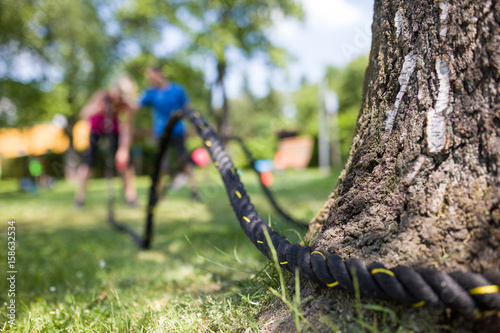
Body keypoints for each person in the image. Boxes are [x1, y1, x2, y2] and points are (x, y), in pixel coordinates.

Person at [74, 75, 138, 207]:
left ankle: (130, 197)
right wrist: (96, 109)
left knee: (126, 162)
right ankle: (79, 198)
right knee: (88, 162)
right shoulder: (102, 96)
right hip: (96, 130)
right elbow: (83, 113)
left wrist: (123, 149)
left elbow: (128, 128)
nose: (118, 98)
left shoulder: (126, 105)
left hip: (114, 130)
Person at [139, 66, 199, 200]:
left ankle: (194, 190)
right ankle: (159, 194)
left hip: (178, 131)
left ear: (160, 74)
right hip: (161, 133)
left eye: (151, 76)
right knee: (162, 164)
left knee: (185, 161)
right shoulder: (150, 93)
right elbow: (136, 106)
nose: (149, 79)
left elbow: (187, 108)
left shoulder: (177, 90)